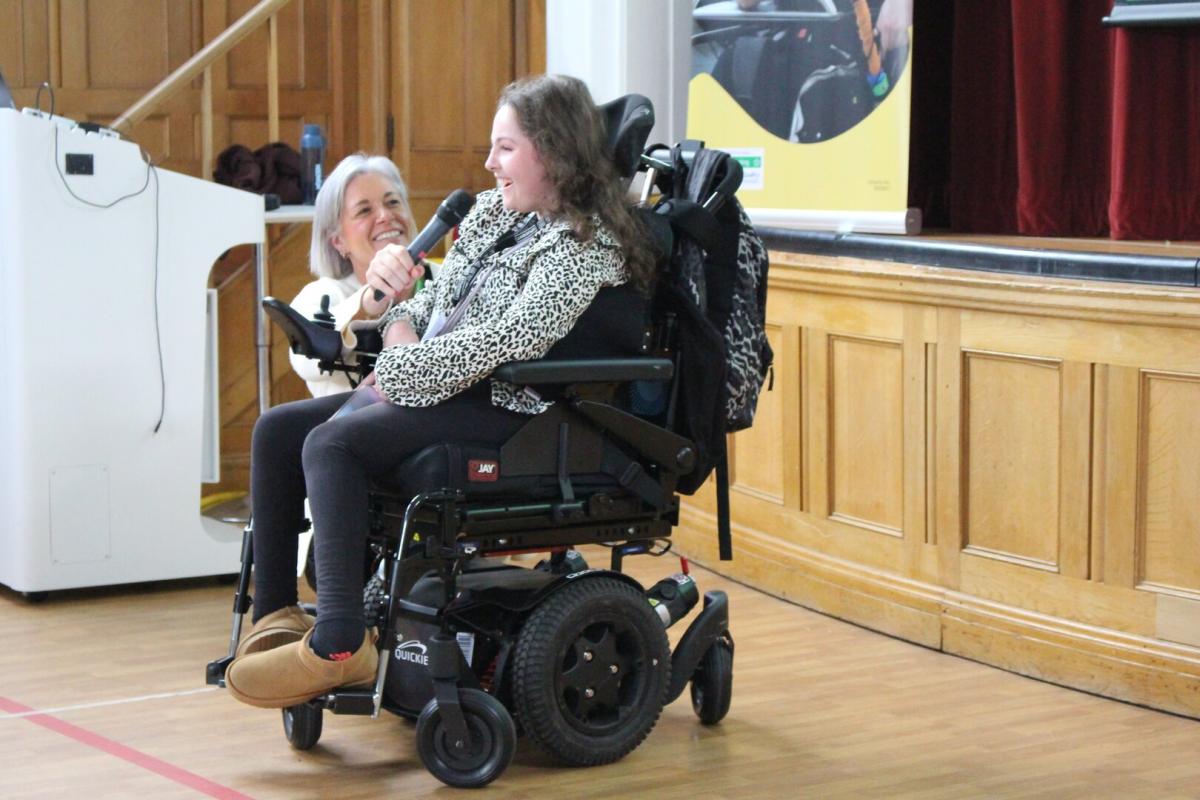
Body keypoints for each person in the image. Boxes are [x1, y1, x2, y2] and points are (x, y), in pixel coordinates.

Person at [225, 74, 655, 708]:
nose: (489, 164)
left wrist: (403, 365)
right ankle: (276, 617)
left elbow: (512, 340)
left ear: (553, 152)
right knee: (277, 430)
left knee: (330, 445)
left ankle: (341, 645)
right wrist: (402, 327)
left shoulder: (586, 245)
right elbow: (430, 304)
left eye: (504, 148)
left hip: (518, 409)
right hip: (450, 385)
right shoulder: (491, 214)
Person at [288, 154, 417, 397]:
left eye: (392, 202)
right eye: (364, 210)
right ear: (338, 241)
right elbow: (306, 361)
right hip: (351, 420)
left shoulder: (442, 277)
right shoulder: (322, 295)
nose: (385, 216)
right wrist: (369, 303)